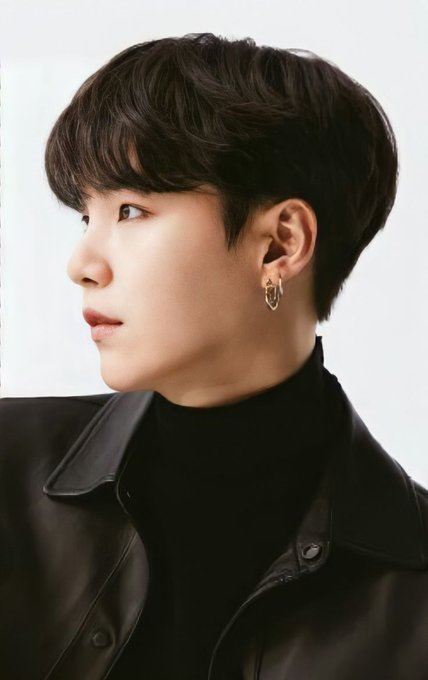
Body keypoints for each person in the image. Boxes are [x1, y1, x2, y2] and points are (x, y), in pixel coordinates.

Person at [1, 31, 427, 680]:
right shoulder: (9, 472)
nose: (82, 264)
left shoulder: (412, 579)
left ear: (280, 245)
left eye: (131, 210)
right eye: (87, 216)